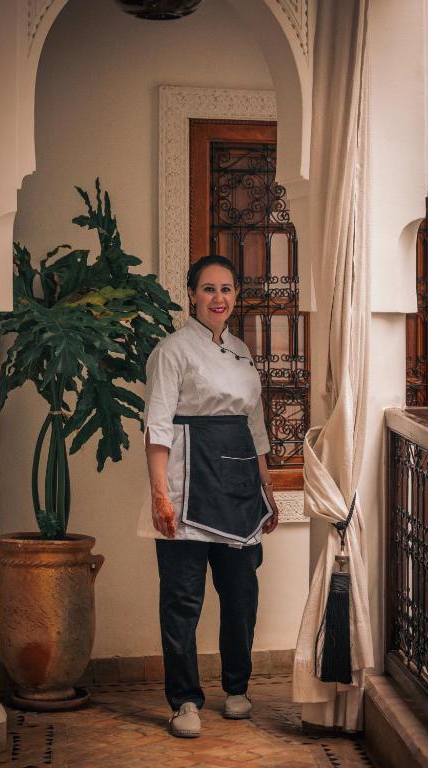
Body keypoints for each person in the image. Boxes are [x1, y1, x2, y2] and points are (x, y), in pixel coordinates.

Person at [139, 255, 279, 738]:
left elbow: (255, 427)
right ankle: (184, 702)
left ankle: (237, 689)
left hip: (240, 487)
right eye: (208, 289)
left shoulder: (242, 352)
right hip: (185, 484)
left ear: (235, 296)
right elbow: (157, 427)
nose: (218, 298)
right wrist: (161, 494)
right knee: (182, 600)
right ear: (192, 295)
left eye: (226, 289)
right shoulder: (171, 351)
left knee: (242, 595)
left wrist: (267, 490)